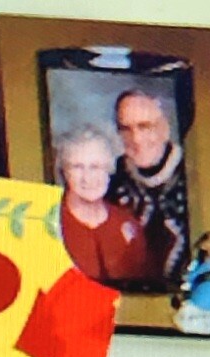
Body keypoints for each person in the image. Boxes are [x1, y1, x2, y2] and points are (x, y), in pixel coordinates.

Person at [54, 126, 157, 286]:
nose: (87, 178)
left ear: (109, 170)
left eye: (96, 167)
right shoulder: (50, 224)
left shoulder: (128, 225)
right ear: (64, 172)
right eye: (77, 167)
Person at [109, 88, 189, 288]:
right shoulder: (112, 180)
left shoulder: (194, 172)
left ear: (164, 129)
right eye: (126, 129)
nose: (136, 139)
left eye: (144, 127)